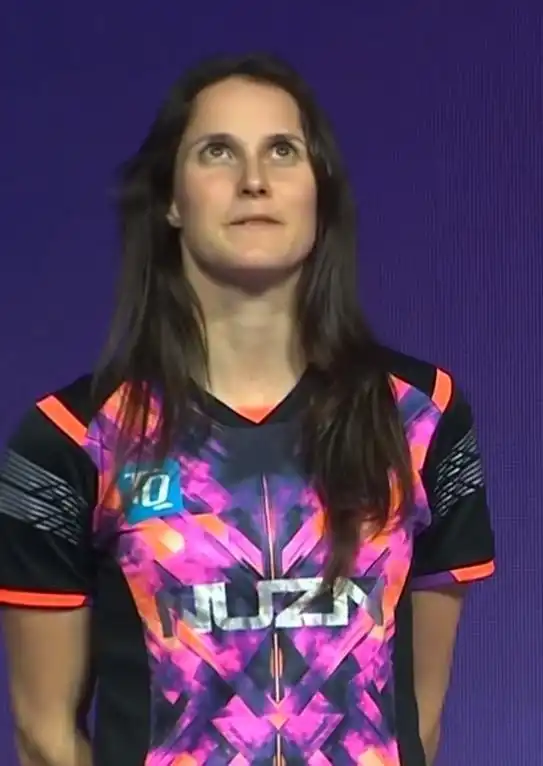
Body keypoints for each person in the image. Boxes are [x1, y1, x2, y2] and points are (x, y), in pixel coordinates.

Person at [0, 53, 495, 766]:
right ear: (171, 200)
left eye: (282, 151)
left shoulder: (421, 417)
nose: (253, 180)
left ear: (320, 194)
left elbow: (418, 717)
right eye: (218, 152)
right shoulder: (71, 440)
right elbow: (43, 734)